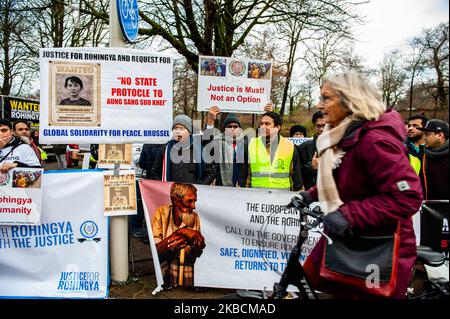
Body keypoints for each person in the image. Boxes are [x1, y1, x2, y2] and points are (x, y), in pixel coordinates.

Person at [295, 72, 422, 299]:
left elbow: (407, 196)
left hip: (379, 246)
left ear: (349, 100)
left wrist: (349, 215)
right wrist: (310, 195)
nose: (319, 104)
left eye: (326, 98)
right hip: (351, 236)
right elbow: (349, 181)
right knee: (308, 278)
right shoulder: (344, 134)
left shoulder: (375, 140)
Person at [152, 183, 205, 287]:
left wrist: (197, 245)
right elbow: (156, 250)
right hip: (165, 269)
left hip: (186, 270)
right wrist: (179, 232)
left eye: (194, 201)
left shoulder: (194, 216)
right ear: (176, 199)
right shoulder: (161, 213)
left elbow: (198, 253)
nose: (193, 206)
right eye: (189, 201)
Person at [151, 114, 216, 185]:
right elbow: (155, 172)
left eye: (181, 128)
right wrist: (163, 187)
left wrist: (200, 187)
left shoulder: (199, 149)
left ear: (189, 132)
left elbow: (211, 172)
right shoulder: (165, 149)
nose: (178, 131)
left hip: (193, 193)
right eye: (175, 128)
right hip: (171, 193)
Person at [244, 111, 302, 190]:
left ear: (277, 127)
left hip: (281, 198)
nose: (262, 127)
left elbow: (297, 178)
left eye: (267, 124)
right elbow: (244, 176)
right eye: (261, 124)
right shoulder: (251, 145)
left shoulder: (290, 146)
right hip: (256, 198)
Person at [203, 107, 249, 187]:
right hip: (221, 186)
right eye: (229, 126)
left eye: (235, 126)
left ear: (240, 129)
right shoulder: (218, 141)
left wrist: (269, 113)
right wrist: (210, 122)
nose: (232, 129)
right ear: (224, 129)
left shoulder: (246, 142)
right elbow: (206, 143)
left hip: (240, 187)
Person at [418, 119, 449, 200]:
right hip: (427, 208)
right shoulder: (421, 154)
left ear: (439, 135)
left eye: (427, 134)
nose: (423, 138)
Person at [298, 111, 325, 190]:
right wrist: (311, 166)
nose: (321, 129)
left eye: (324, 126)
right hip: (310, 194)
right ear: (314, 126)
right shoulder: (303, 147)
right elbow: (297, 172)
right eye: (318, 126)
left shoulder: (340, 146)